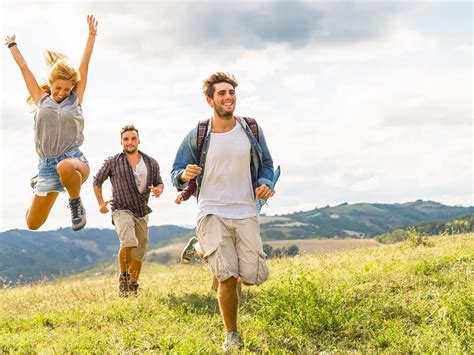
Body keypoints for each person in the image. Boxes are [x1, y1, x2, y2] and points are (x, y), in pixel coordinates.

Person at [171, 72, 275, 351]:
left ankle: (201, 247)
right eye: (222, 93)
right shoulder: (198, 135)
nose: (228, 97)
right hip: (211, 210)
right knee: (227, 277)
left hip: (245, 210)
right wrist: (183, 175)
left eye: (231, 92)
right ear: (210, 100)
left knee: (252, 276)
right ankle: (232, 334)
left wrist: (265, 183)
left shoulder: (251, 129)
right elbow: (175, 171)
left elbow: (266, 164)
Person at [4, 15, 98, 231]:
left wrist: (91, 35)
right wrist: (12, 45)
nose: (62, 93)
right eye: (58, 88)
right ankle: (39, 182)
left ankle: (75, 203)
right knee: (33, 223)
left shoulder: (75, 99)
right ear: (50, 83)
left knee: (64, 165)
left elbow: (85, 63)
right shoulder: (41, 99)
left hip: (73, 161)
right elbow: (24, 68)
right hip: (46, 165)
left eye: (66, 89)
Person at [93, 124, 164, 297]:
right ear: (121, 142)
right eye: (126, 139)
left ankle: (133, 286)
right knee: (129, 241)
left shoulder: (151, 162)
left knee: (139, 251)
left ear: (139, 140)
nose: (130, 142)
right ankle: (123, 279)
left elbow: (160, 182)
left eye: (133, 138)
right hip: (121, 208)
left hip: (141, 210)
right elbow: (97, 181)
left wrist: (158, 189)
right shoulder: (112, 161)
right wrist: (101, 203)